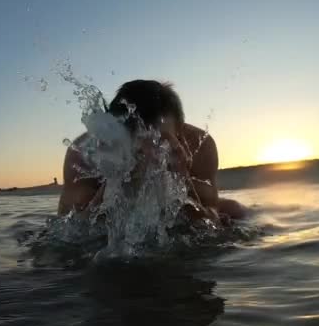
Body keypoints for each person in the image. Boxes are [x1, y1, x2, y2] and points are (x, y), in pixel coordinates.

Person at [58, 80, 246, 222]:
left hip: (178, 192)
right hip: (106, 197)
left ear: (181, 136)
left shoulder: (199, 144)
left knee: (233, 210)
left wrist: (182, 178)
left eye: (158, 140)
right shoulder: (83, 153)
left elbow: (209, 221)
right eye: (132, 142)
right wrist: (114, 182)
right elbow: (71, 228)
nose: (147, 152)